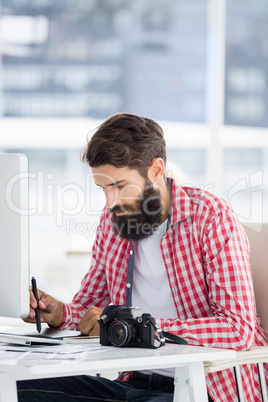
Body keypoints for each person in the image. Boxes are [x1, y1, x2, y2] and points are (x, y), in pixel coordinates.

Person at [18, 113, 267, 402]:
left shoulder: (210, 217)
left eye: (120, 186)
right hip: (134, 381)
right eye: (103, 188)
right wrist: (60, 313)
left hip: (204, 386)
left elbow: (237, 329)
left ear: (156, 170)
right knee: (21, 388)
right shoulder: (113, 221)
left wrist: (139, 328)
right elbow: (91, 311)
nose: (110, 202)